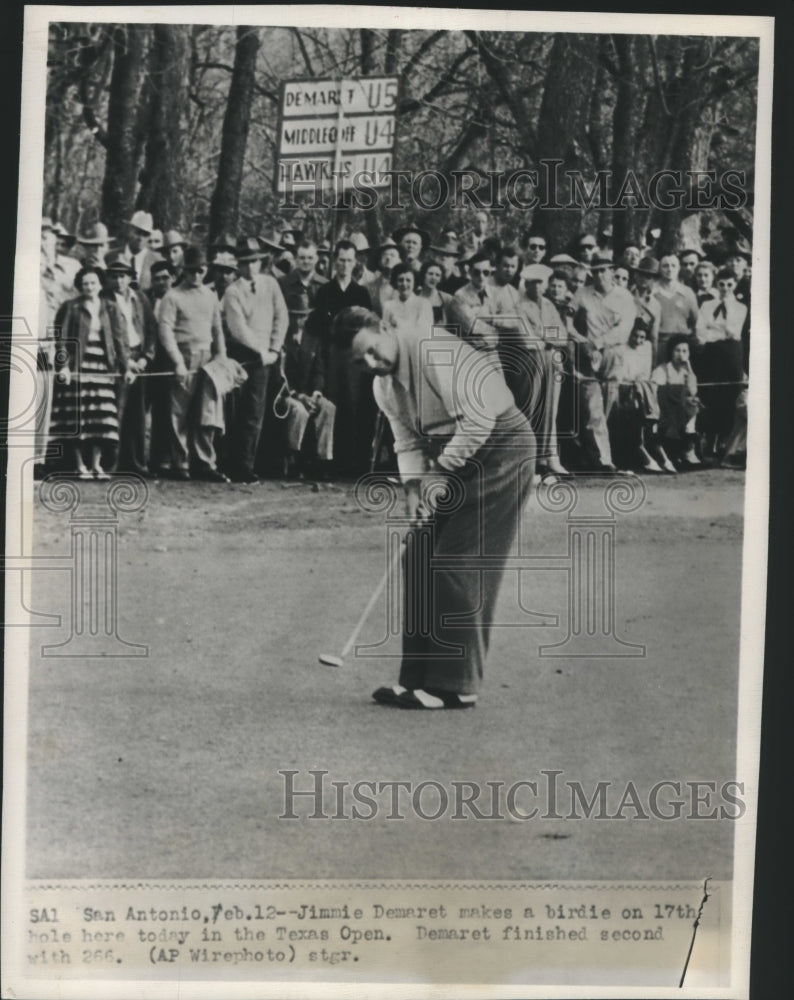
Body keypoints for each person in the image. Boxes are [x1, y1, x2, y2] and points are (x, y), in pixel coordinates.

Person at [344, 305, 534, 709]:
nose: (372, 363)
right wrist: (413, 489)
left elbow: (479, 421)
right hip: (454, 455)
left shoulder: (433, 350)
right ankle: (415, 679)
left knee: (457, 562)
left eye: (373, 350)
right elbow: (407, 441)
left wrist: (438, 474)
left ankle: (455, 685)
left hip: (502, 448)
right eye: (361, 362)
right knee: (417, 557)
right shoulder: (384, 388)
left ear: (384, 327)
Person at [49, 265, 131, 479]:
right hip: (78, 367)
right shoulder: (71, 307)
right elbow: (62, 340)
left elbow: (120, 340)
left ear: (101, 284)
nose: (89, 287)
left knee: (100, 417)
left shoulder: (110, 307)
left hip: (102, 368)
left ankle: (96, 465)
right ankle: (79, 466)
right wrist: (64, 366)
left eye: (93, 283)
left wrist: (126, 367)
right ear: (80, 286)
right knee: (78, 417)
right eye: (85, 283)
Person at [157, 246, 229, 481]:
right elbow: (165, 330)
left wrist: (221, 357)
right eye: (191, 271)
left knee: (207, 411)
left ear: (206, 270)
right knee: (179, 411)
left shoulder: (210, 296)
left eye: (200, 270)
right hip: (184, 355)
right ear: (184, 271)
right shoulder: (173, 296)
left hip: (207, 357)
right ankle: (180, 462)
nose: (196, 275)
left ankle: (205, 462)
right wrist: (177, 360)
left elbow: (217, 329)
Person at [221, 236, 289, 483]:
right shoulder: (232, 291)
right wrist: (261, 352)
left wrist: (274, 347)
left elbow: (282, 317)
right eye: (245, 263)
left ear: (261, 262)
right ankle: (241, 466)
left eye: (255, 262)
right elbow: (238, 328)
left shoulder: (270, 284)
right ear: (238, 265)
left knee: (269, 409)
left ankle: (266, 464)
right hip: (247, 357)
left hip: (270, 356)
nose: (250, 267)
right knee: (248, 412)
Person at [493, 262, 569, 477]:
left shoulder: (548, 306)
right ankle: (525, 459)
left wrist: (542, 336)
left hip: (549, 361)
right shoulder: (517, 306)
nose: (536, 287)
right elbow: (524, 339)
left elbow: (561, 335)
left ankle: (542, 459)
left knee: (548, 410)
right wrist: (545, 337)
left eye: (539, 283)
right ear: (525, 284)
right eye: (531, 283)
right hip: (527, 362)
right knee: (530, 406)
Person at [308, 239, 373, 475]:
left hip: (355, 357)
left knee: (355, 405)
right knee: (334, 404)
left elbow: (367, 327)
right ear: (334, 262)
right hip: (331, 354)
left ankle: (353, 464)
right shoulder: (325, 291)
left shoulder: (361, 292)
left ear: (355, 262)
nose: (345, 265)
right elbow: (318, 327)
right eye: (341, 260)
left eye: (349, 260)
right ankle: (331, 463)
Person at [103, 253, 158, 475]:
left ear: (130, 277)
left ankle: (136, 464)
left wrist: (145, 357)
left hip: (139, 358)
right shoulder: (104, 300)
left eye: (123, 276)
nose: (119, 281)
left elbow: (152, 330)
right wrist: (125, 363)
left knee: (138, 412)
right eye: (115, 276)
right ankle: (111, 464)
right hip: (118, 361)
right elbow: (110, 336)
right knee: (116, 410)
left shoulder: (140, 298)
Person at [694, 267, 747, 460]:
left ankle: (725, 444)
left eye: (729, 284)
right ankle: (709, 441)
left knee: (729, 396)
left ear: (735, 285)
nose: (725, 288)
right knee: (711, 395)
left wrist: (714, 328)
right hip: (712, 353)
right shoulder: (707, 305)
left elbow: (733, 331)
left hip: (731, 353)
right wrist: (715, 332)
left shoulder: (741, 307)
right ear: (716, 284)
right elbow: (700, 329)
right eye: (721, 284)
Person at [280, 294, 336, 478]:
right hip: (287, 394)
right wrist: (298, 395)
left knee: (328, 408)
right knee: (299, 411)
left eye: (302, 316)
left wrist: (315, 394)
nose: (298, 320)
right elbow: (279, 376)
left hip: (309, 393)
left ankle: (322, 460)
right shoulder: (281, 340)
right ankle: (293, 459)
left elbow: (319, 371)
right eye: (294, 315)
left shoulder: (313, 340)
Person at [651, 335, 701, 467]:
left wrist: (689, 368)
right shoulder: (662, 370)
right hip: (664, 407)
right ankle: (672, 454)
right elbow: (656, 394)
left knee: (693, 405)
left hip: (681, 407)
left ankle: (688, 452)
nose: (681, 355)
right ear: (671, 352)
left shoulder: (687, 371)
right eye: (677, 350)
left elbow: (693, 391)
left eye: (684, 351)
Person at [653, 253, 698, 362]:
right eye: (665, 266)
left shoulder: (687, 292)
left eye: (673, 266)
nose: (670, 269)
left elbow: (694, 320)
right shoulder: (653, 292)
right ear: (659, 269)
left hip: (681, 345)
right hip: (660, 344)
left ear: (678, 268)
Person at [453, 250, 499, 352]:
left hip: (492, 351)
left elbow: (508, 322)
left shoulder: (494, 293)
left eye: (485, 272)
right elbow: (472, 327)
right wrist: (495, 328)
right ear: (469, 272)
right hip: (468, 351)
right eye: (477, 272)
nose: (481, 276)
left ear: (490, 273)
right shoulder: (460, 296)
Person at [382, 263, 434, 332]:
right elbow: (385, 332)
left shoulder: (424, 304)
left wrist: (398, 324)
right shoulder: (388, 305)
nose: (404, 283)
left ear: (414, 283)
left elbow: (424, 331)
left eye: (408, 280)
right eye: (400, 280)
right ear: (395, 282)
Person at [120, 210, 159, 292]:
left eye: (145, 234)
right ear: (129, 230)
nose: (141, 238)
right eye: (137, 232)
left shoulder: (157, 261)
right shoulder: (111, 257)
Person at [362, 238, 400, 317]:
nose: (388, 258)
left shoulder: (404, 285)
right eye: (385, 255)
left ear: (399, 261)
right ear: (379, 261)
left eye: (392, 255)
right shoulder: (368, 287)